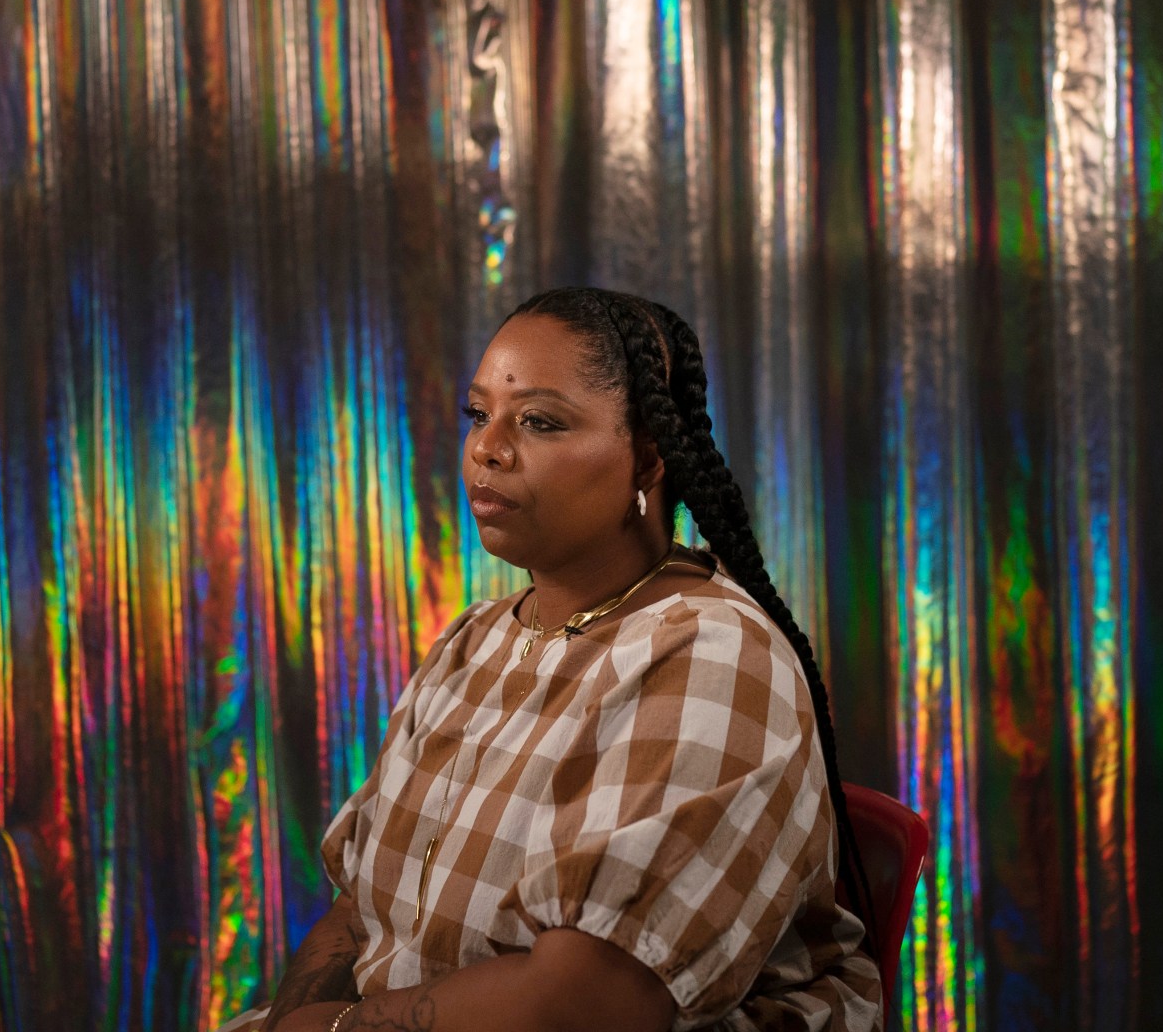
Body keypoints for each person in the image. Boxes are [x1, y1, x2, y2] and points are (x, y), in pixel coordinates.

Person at [218, 287, 879, 1032]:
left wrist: (335, 1031)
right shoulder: (475, 641)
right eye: (479, 414)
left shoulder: (711, 655)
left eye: (538, 421)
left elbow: (590, 1005)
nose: (486, 448)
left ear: (647, 459)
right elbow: (360, 907)